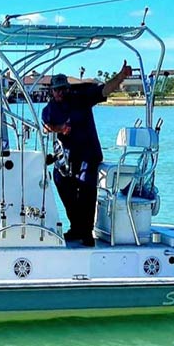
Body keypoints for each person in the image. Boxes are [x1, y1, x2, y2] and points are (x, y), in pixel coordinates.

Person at [42, 62, 133, 246]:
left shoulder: (81, 98)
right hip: (66, 159)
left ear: (67, 88)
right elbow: (46, 127)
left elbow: (104, 90)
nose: (59, 93)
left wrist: (121, 76)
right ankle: (76, 228)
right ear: (51, 91)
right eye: (56, 90)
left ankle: (86, 232)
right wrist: (60, 128)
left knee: (86, 190)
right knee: (61, 183)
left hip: (88, 155)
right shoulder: (49, 108)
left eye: (62, 89)